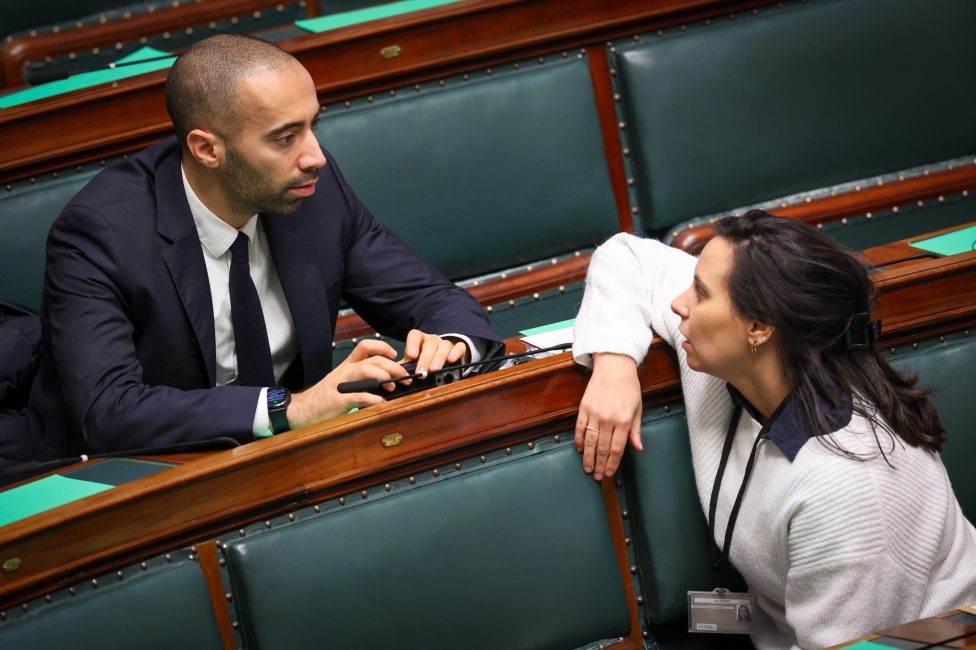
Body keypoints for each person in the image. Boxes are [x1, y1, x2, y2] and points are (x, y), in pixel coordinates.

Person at [25, 34, 500, 461]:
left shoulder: (312, 186)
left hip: (292, 458)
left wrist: (451, 345)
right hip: (141, 474)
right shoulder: (99, 233)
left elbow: (429, 298)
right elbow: (110, 411)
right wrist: (288, 409)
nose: (315, 155)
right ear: (207, 149)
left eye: (314, 125)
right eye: (284, 138)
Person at [572, 210, 976, 649]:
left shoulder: (847, 491)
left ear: (760, 327)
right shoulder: (738, 356)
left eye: (701, 293)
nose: (678, 303)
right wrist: (614, 363)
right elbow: (627, 256)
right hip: (770, 627)